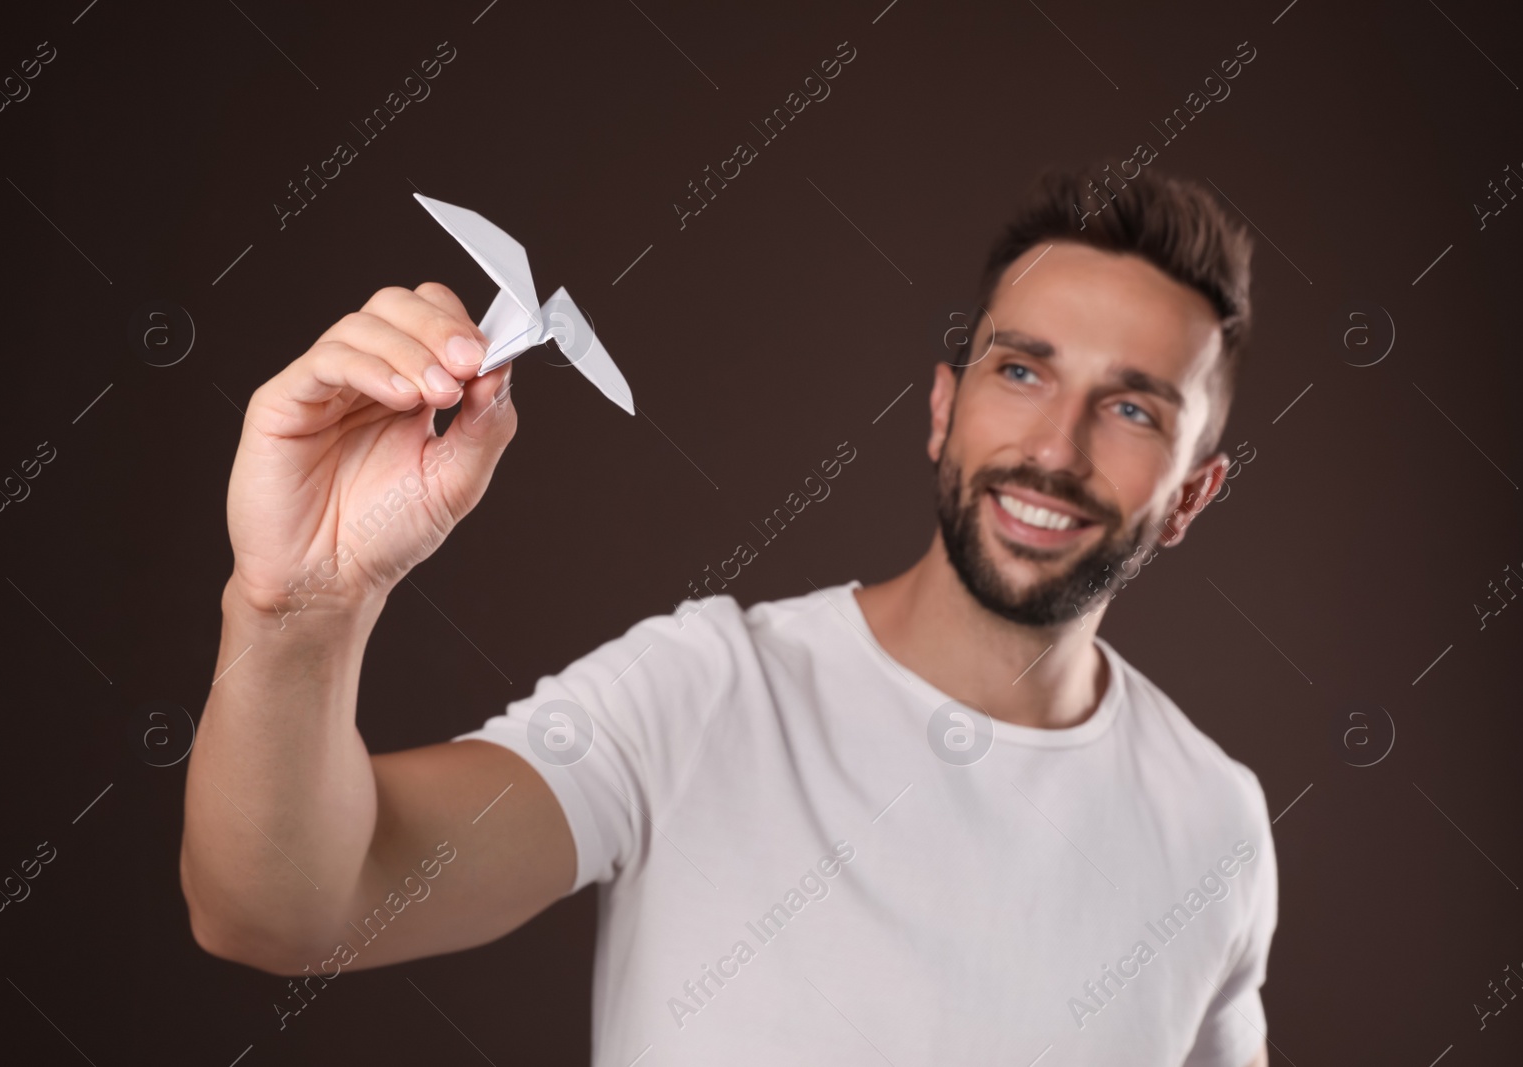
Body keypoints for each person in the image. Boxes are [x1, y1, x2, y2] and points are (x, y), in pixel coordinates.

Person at [182, 164, 1277, 1066]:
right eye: (1022, 370)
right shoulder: (704, 693)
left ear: (1191, 492)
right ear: (944, 408)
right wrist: (300, 606)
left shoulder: (1215, 827)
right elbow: (286, 907)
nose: (1057, 446)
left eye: (1133, 407)